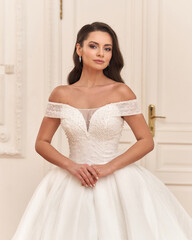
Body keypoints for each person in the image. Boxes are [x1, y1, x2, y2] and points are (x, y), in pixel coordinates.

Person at [12, 22, 192, 240]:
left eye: (107, 48)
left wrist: (108, 168)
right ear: (79, 49)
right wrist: (71, 166)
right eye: (94, 46)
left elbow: (146, 140)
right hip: (71, 178)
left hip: (116, 178)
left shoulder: (121, 91)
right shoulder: (61, 94)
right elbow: (41, 142)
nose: (101, 53)